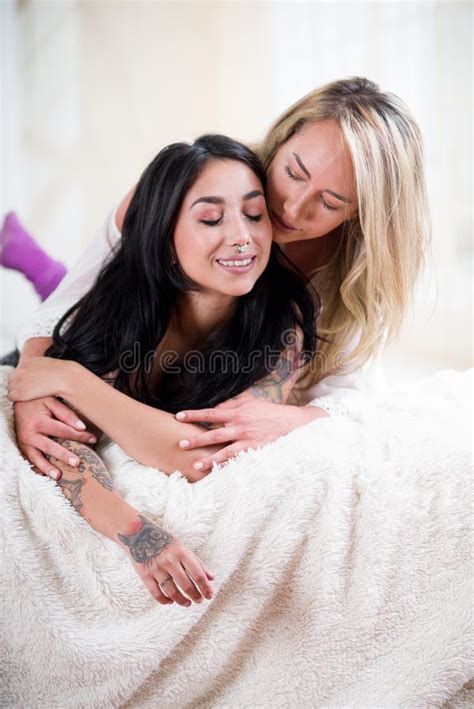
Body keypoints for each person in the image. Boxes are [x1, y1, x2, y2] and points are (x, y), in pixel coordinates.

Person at [10, 76, 430, 477]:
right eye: (293, 173)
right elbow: (71, 300)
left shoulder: (348, 273)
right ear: (280, 140)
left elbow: (355, 397)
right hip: (153, 307)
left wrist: (297, 417)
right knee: (109, 298)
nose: (292, 208)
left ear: (358, 211)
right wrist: (32, 386)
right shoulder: (198, 182)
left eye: (331, 201)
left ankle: (33, 261)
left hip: (213, 352)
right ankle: (36, 264)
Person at [8, 133, 318, 608]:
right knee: (60, 303)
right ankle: (30, 259)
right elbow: (64, 438)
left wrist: (72, 379)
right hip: (85, 323)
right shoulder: (124, 304)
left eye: (255, 215)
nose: (242, 236)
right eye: (211, 218)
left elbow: (199, 454)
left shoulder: (283, 319)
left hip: (85, 361)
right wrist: (136, 533)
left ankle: (31, 259)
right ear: (166, 237)